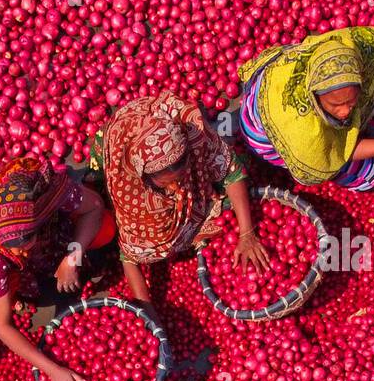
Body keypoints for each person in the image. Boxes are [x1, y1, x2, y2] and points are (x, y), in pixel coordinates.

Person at [0, 155, 113, 381]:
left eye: (23, 247)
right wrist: (53, 370)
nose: (20, 254)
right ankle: (19, 291)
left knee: (105, 227)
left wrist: (72, 258)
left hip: (32, 219)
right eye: (14, 251)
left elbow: (94, 206)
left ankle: (53, 256)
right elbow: (3, 328)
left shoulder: (43, 193)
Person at [90, 92, 269, 303]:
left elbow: (231, 171)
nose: (176, 188)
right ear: (145, 176)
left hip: (159, 126)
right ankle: (94, 178)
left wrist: (247, 234)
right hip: (118, 144)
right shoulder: (127, 185)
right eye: (166, 183)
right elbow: (130, 256)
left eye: (181, 176)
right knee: (109, 205)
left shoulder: (190, 133)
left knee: (239, 175)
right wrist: (148, 317)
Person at [237, 26, 374, 190]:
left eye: (351, 101)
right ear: (315, 95)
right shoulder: (301, 131)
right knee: (370, 177)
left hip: (291, 79)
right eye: (335, 105)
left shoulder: (353, 45)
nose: (346, 111)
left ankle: (371, 127)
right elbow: (333, 156)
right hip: (267, 133)